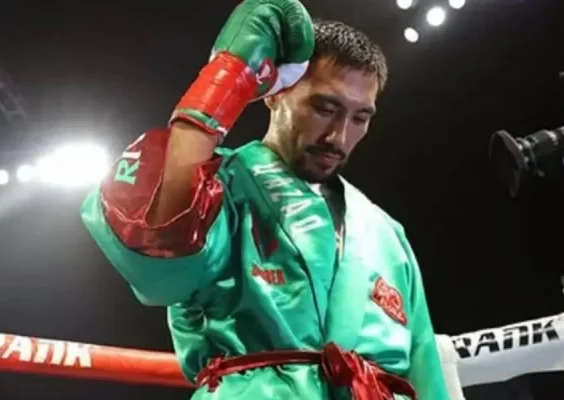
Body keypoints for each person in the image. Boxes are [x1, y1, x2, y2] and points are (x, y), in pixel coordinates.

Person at [79, 0, 450, 399]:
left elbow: (424, 368)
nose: (339, 137)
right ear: (275, 93)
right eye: (325, 108)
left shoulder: (386, 234)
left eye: (360, 118)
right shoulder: (218, 189)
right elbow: (159, 250)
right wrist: (227, 77)